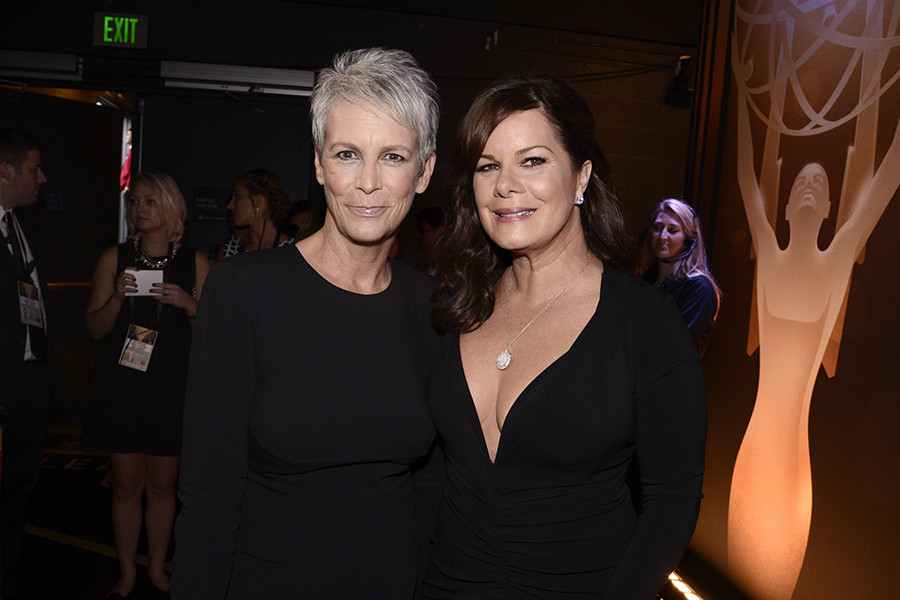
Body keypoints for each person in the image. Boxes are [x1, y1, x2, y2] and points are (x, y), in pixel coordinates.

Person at [171, 47, 442, 600]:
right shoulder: (244, 291)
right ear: (318, 163)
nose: (368, 182)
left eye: (393, 156)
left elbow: (432, 486)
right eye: (347, 153)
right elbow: (209, 492)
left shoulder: (434, 306)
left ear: (424, 171)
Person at [424, 75, 707, 599]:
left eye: (532, 161)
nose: (506, 185)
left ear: (581, 177)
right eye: (488, 166)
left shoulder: (644, 323)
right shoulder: (455, 305)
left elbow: (673, 500)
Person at [84, 171, 211, 598]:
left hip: (171, 388)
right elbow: (96, 329)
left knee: (162, 487)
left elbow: (217, 337)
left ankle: (157, 569)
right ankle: (127, 574)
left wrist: (190, 304)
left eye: (149, 201)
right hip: (123, 385)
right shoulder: (113, 258)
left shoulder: (195, 263)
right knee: (125, 486)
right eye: (134, 202)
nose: (139, 209)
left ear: (172, 207)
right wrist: (117, 298)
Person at [0, 128, 50, 600]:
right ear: (6, 170)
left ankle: (8, 575)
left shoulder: (22, 222)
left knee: (18, 487)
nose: (43, 178)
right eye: (34, 168)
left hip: (28, 381)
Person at [639, 198, 720, 356]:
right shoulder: (646, 279)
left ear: (689, 241)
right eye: (658, 227)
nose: (662, 236)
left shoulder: (698, 288)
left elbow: (673, 347)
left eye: (672, 230)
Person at [218, 169, 293, 260]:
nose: (230, 205)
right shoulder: (230, 251)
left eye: (237, 196)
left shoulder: (292, 250)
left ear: (258, 202)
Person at [415, 205, 443, 275]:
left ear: (440, 232)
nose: (417, 236)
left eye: (423, 231)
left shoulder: (455, 268)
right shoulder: (424, 266)